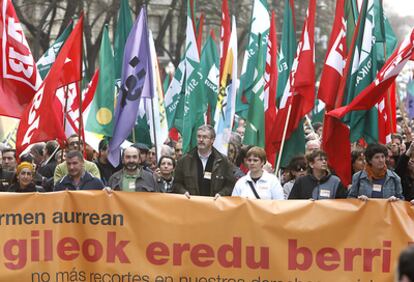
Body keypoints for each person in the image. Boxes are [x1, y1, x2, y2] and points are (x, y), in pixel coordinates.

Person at [173, 125, 235, 197]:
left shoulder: (223, 161)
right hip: (191, 204)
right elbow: (176, 184)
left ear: (212, 140)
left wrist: (221, 194)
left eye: (205, 137)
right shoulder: (184, 161)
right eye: (199, 136)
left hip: (214, 205)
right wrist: (184, 192)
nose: (201, 140)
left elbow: (230, 185)